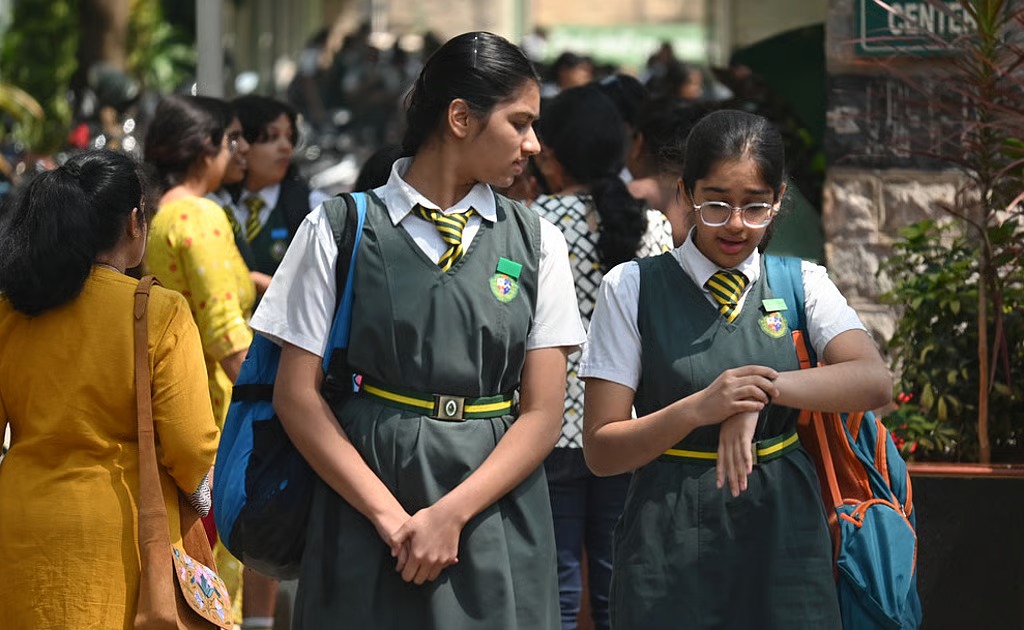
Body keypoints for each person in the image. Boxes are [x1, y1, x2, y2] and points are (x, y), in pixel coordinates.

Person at [249, 31, 586, 629]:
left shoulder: (538, 242)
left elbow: (542, 413)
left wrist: (448, 517)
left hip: (491, 515)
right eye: (520, 122)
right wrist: (390, 519)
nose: (534, 143)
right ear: (460, 117)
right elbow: (296, 396)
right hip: (362, 511)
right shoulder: (338, 229)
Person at [579, 109, 892, 628]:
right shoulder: (631, 287)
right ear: (686, 193)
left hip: (784, 530)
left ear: (779, 200)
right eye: (717, 203)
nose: (736, 225)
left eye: (755, 207)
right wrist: (701, 407)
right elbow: (602, 450)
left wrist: (761, 392)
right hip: (667, 533)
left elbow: (872, 379)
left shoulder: (802, 282)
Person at [0, 149, 220, 628]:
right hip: (122, 540)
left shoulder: (11, 311)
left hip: (19, 535)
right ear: (134, 223)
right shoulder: (159, 310)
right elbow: (192, 443)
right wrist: (200, 496)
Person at [530, 84, 673, 630]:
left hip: (549, 425)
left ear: (552, 153)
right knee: (618, 585)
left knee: (559, 588)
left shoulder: (534, 223)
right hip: (628, 424)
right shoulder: (653, 224)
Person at [143, 95, 255, 619]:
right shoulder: (201, 216)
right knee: (215, 576)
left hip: (168, 406)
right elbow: (226, 334)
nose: (243, 150)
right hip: (215, 414)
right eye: (233, 139)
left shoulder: (158, 215)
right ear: (203, 147)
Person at [229, 95, 331, 291]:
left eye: (289, 137)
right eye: (271, 136)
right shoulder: (218, 203)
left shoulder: (313, 208)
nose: (285, 147)